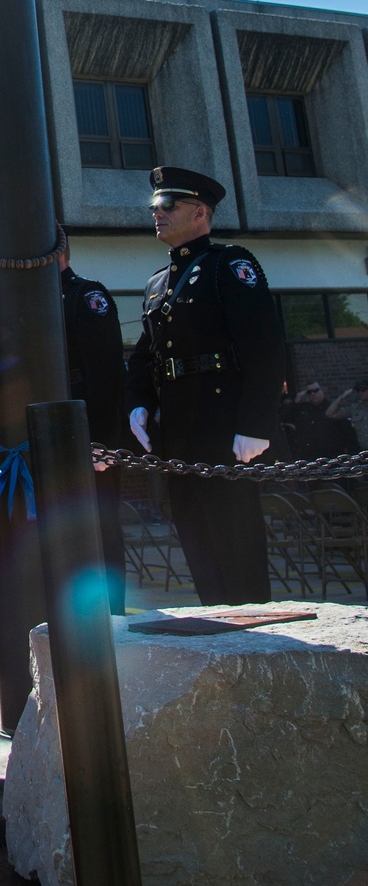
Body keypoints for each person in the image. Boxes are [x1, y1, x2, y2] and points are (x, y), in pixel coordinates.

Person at [126, 165, 286, 607]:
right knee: (196, 538)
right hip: (178, 428)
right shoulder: (159, 282)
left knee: (235, 542)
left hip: (223, 426)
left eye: (167, 205)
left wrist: (256, 423)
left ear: (200, 212)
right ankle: (218, 629)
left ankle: (255, 642)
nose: (156, 213)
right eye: (154, 206)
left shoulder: (228, 265)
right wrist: (138, 403)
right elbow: (145, 356)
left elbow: (264, 347)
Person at [59, 240, 127, 615]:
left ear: (59, 254)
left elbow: (106, 372)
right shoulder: (37, 296)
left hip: (88, 431)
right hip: (55, 427)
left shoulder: (85, 295)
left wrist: (101, 441)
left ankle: (112, 614)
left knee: (99, 527)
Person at [284, 380, 358, 459]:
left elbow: (347, 433)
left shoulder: (331, 408)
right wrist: (295, 402)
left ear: (322, 390)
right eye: (309, 392)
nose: (313, 394)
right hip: (309, 457)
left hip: (332, 456)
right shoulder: (303, 409)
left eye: (316, 391)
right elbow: (284, 418)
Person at [325, 378, 368, 451]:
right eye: (358, 390)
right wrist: (342, 397)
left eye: (363, 390)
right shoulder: (355, 408)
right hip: (364, 452)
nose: (360, 392)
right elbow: (330, 414)